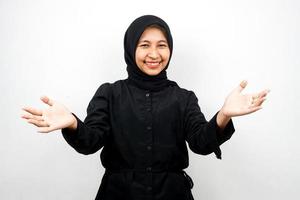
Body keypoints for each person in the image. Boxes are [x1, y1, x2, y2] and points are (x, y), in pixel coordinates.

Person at [21, 15, 270, 200]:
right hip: (118, 195)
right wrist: (73, 123)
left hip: (173, 195)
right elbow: (90, 141)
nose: (154, 53)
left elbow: (201, 143)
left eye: (161, 45)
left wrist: (224, 115)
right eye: (144, 45)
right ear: (131, 49)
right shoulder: (110, 93)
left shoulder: (183, 97)